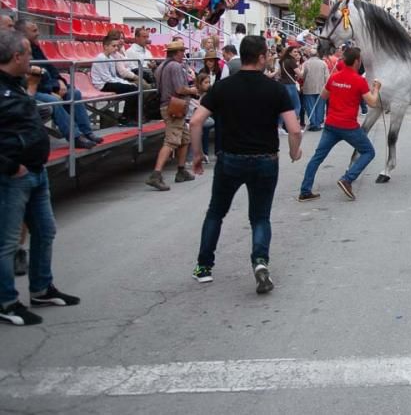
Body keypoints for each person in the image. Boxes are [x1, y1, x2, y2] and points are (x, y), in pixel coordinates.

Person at [189, 35, 303, 292]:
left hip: (230, 159)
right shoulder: (274, 89)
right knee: (260, 217)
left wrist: (197, 155)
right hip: (265, 160)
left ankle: (204, 267)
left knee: (216, 213)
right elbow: (294, 129)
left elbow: (195, 122)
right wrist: (294, 152)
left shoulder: (222, 87)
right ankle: (260, 262)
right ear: (262, 57)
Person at [0, 30, 80, 326]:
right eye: (28, 54)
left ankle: (41, 288)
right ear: (17, 57)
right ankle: (6, 301)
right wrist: (9, 166)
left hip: (35, 171)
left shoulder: (17, 85)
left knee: (45, 231)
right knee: (7, 243)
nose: (32, 59)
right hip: (14, 176)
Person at [298, 47, 380, 201]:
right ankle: (347, 179)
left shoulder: (334, 77)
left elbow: (323, 95)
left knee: (317, 157)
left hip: (331, 124)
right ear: (357, 61)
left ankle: (305, 190)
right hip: (348, 126)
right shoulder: (359, 80)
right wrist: (376, 88)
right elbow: (373, 102)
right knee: (369, 152)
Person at [14, 19, 103, 148]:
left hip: (51, 86)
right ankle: (75, 137)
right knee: (53, 101)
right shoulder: (18, 53)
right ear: (22, 34)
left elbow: (50, 68)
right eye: (34, 31)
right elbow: (28, 79)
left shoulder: (36, 48)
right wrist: (52, 89)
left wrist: (60, 82)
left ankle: (87, 132)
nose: (38, 33)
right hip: (36, 90)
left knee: (74, 93)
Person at [145, 41, 199, 191]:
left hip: (169, 105)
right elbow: (180, 88)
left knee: (184, 138)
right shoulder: (175, 66)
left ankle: (181, 170)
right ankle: (156, 174)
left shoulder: (161, 66)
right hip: (174, 106)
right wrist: (194, 90)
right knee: (171, 140)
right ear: (176, 52)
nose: (184, 54)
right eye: (182, 51)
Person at [91, 33, 139, 125]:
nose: (116, 48)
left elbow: (113, 76)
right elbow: (107, 78)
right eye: (113, 46)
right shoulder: (101, 58)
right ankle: (126, 118)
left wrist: (125, 82)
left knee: (134, 88)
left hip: (109, 82)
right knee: (132, 89)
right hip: (102, 85)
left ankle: (132, 117)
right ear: (105, 46)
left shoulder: (111, 57)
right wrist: (125, 84)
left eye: (117, 46)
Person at [301, 47, 330, 131]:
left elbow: (303, 76)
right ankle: (318, 123)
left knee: (310, 106)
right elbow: (327, 77)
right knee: (320, 107)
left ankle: (313, 123)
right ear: (317, 54)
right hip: (321, 88)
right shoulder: (323, 63)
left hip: (309, 88)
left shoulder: (306, 63)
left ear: (309, 55)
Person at [276, 47, 303, 134]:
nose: (296, 53)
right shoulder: (292, 61)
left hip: (283, 85)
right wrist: (303, 69)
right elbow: (300, 75)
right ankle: (293, 126)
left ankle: (279, 127)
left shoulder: (282, 61)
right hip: (290, 85)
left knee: (283, 107)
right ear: (290, 52)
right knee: (297, 106)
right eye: (295, 51)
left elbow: (279, 73)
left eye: (297, 51)